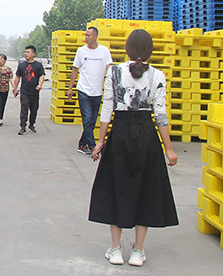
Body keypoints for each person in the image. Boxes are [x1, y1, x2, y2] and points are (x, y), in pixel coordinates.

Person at [88, 29, 178, 267]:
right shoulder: (157, 75)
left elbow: (107, 108)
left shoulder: (114, 72)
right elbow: (160, 115)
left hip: (120, 133)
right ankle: (138, 251)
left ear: (127, 49)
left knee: (116, 186)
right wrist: (168, 148)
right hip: (146, 135)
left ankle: (116, 249)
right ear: (150, 50)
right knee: (145, 189)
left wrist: (100, 141)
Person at [68, 27, 113, 155]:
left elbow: (109, 67)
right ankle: (93, 146)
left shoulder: (104, 51)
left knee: (92, 121)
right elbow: (75, 69)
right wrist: (70, 88)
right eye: (85, 35)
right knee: (87, 119)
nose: (86, 37)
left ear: (95, 36)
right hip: (83, 90)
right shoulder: (81, 51)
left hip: (97, 91)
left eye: (89, 35)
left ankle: (82, 144)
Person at [11, 45, 45, 135]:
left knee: (34, 109)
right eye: (25, 52)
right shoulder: (22, 65)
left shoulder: (38, 65)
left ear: (33, 54)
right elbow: (18, 77)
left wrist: (40, 85)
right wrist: (15, 88)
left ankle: (31, 124)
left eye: (28, 52)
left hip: (34, 91)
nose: (26, 54)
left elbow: (42, 76)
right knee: (24, 108)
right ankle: (23, 127)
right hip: (24, 91)